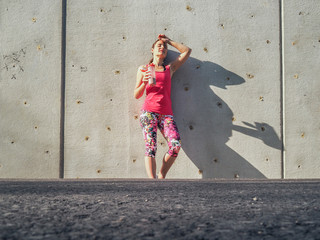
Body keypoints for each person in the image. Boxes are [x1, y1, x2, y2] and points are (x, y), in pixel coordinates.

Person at [134, 34, 192, 179]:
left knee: (175, 144)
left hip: (166, 114)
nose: (162, 47)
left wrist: (169, 41)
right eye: (159, 45)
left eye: (164, 47)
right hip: (149, 113)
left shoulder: (169, 68)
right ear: (152, 50)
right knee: (151, 147)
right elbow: (136, 94)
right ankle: (152, 181)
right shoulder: (144, 69)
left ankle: (162, 175)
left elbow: (187, 51)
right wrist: (144, 83)